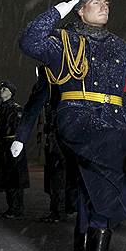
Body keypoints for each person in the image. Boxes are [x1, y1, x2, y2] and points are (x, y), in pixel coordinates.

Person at [19, 0, 126, 251]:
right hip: (77, 114)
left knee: (101, 199)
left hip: (110, 124)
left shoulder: (121, 47)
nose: (104, 6)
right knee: (104, 156)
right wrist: (59, 9)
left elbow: (125, 94)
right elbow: (28, 41)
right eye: (95, 2)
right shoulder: (64, 40)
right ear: (80, 9)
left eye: (107, 2)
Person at [11, 69, 73, 223]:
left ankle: (60, 211)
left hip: (60, 136)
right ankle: (61, 209)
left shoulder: (56, 79)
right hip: (58, 135)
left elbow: (34, 107)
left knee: (58, 177)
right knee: (57, 177)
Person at [0, 81, 29, 219]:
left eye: (4, 89)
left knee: (15, 178)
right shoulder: (1, 108)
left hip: (13, 144)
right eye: (1, 89)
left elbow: (19, 128)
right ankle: (11, 207)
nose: (1, 90)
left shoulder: (16, 109)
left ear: (10, 93)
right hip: (4, 145)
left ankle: (17, 209)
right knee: (7, 177)